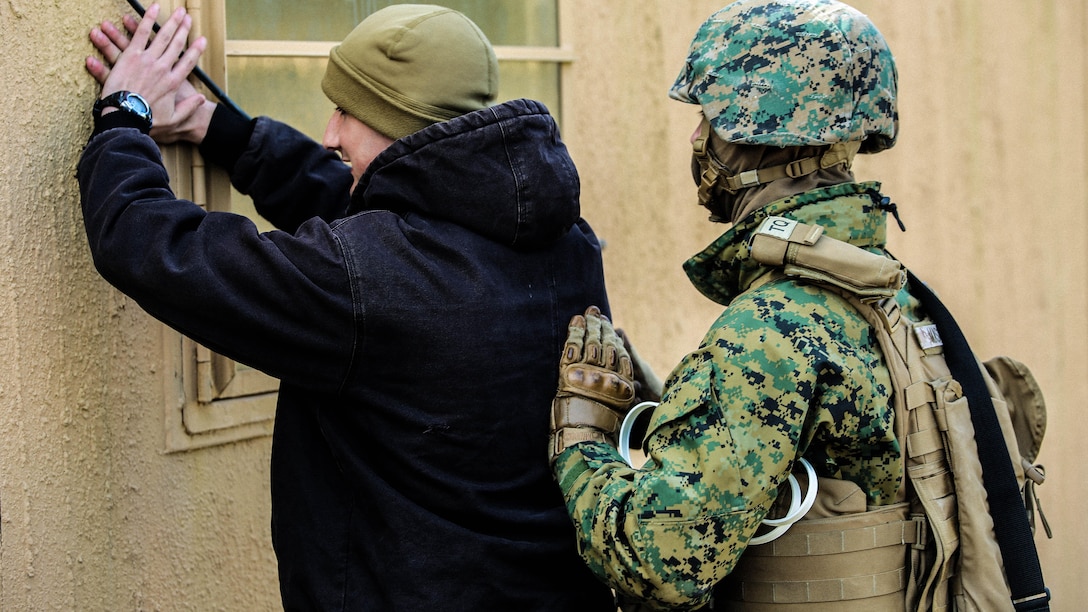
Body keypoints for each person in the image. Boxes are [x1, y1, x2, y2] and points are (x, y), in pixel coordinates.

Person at [78, 3, 617, 610]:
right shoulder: (566, 241)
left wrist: (123, 116)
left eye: (347, 111)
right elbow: (372, 214)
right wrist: (219, 128)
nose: (330, 135)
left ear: (402, 124)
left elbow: (151, 245)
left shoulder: (368, 281)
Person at [548, 0, 918, 609]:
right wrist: (671, 403)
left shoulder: (772, 329)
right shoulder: (889, 290)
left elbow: (658, 561)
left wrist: (582, 439)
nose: (697, 138)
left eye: (711, 119)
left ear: (763, 130)